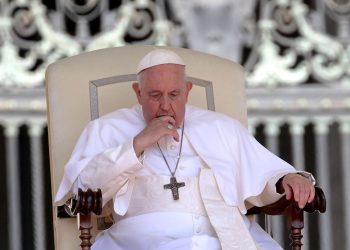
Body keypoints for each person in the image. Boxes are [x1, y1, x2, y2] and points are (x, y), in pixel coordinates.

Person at [55, 49, 315, 250]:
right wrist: (137, 145)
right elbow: (81, 187)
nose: (166, 106)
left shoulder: (221, 127)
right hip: (140, 241)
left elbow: (264, 173)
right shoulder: (106, 129)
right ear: (138, 93)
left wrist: (288, 178)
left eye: (174, 94)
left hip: (222, 237)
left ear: (187, 91)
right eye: (155, 96)